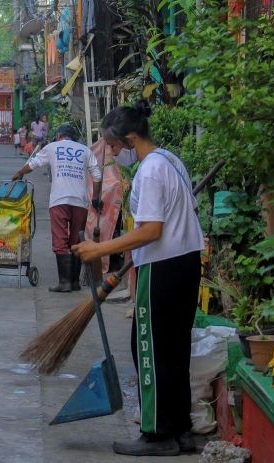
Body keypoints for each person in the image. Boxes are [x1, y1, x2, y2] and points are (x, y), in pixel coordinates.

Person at [71, 101, 203, 457]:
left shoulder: (150, 171)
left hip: (162, 268)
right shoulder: (171, 160)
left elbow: (150, 231)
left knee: (147, 348)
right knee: (174, 349)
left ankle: (158, 434)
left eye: (114, 146)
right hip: (186, 263)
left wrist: (99, 249)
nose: (113, 154)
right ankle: (180, 430)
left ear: (130, 139)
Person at [12, 123, 101, 292]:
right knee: (76, 240)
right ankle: (74, 282)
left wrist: (20, 172)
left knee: (60, 240)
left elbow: (33, 164)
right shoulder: (85, 150)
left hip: (59, 200)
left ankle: (64, 283)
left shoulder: (52, 147)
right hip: (80, 202)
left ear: (59, 136)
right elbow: (97, 175)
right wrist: (95, 197)